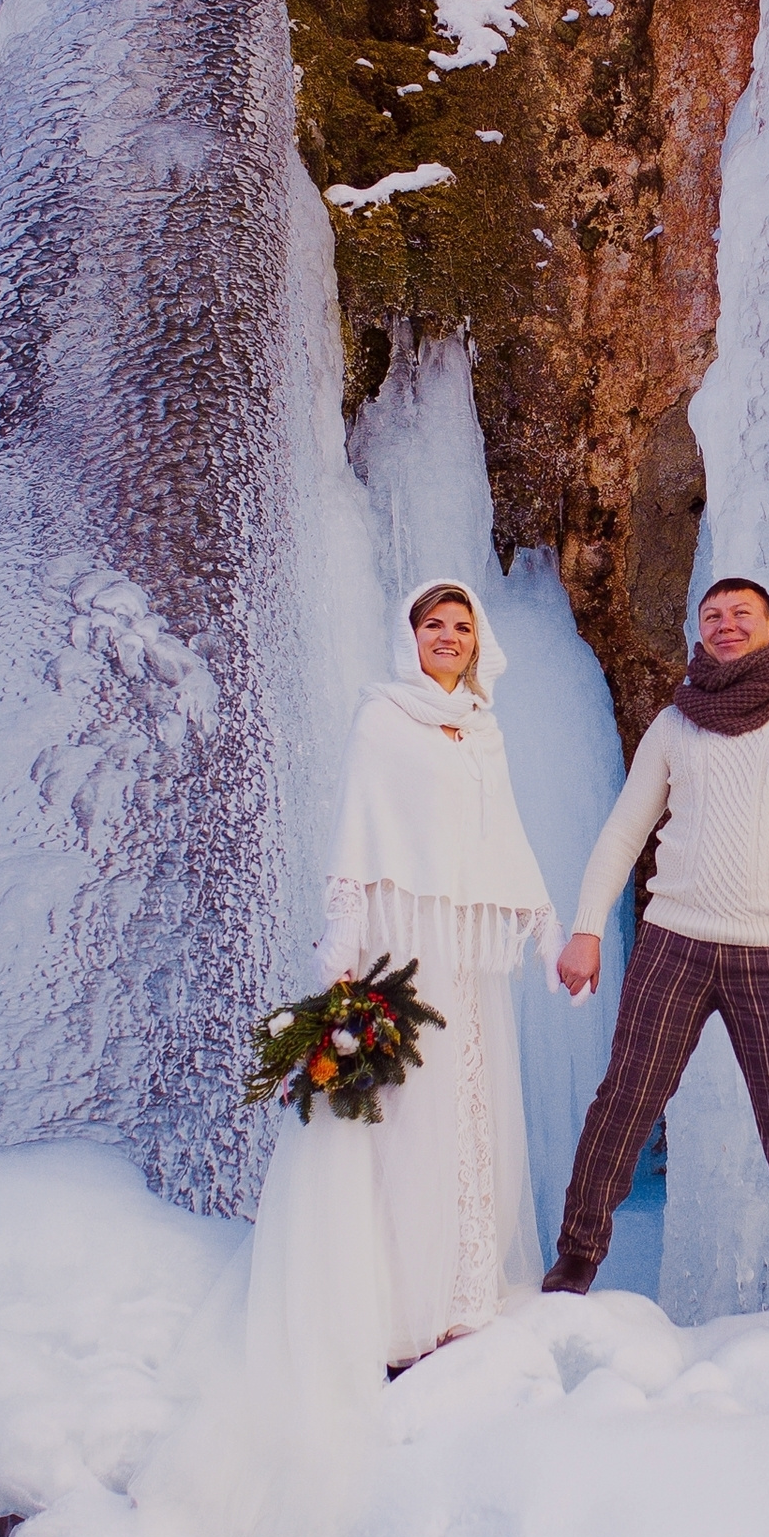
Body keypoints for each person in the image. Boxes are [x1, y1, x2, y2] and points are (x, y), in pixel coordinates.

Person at [546, 577, 769, 1359]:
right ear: (701, 630)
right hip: (675, 942)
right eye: (714, 617)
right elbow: (625, 831)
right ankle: (575, 1262)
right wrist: (587, 929)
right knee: (626, 1100)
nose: (726, 627)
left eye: (741, 616)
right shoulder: (675, 723)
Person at [248, 577, 560, 1378]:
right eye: (433, 624)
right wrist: (345, 932)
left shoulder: (484, 732)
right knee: (406, 1114)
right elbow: (359, 826)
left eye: (461, 625)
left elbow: (502, 836)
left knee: (466, 1107)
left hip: (462, 946)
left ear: (479, 640)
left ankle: (462, 1294)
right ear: (411, 635)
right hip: (403, 936)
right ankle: (396, 1303)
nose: (447, 637)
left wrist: (542, 922)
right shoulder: (383, 717)